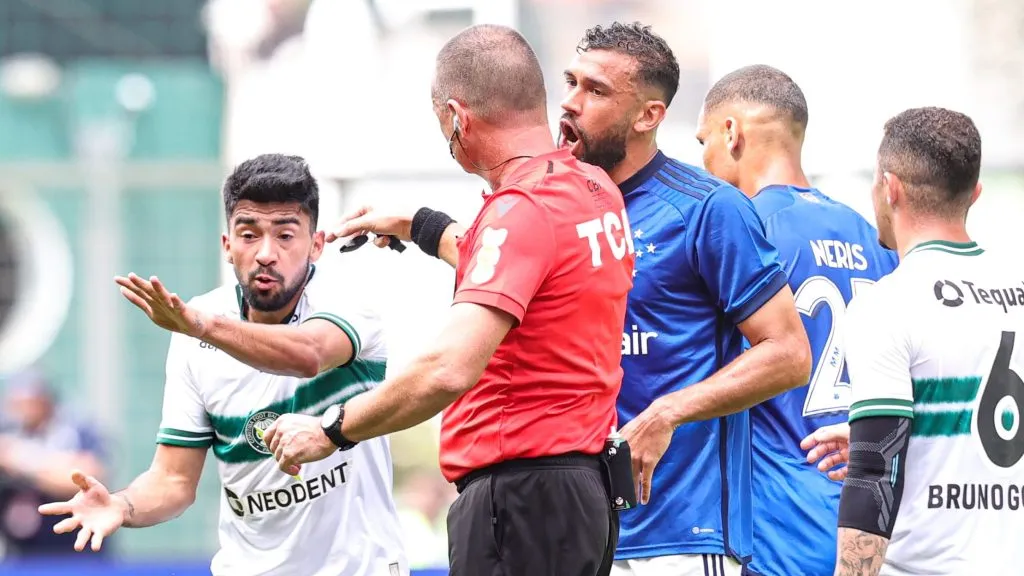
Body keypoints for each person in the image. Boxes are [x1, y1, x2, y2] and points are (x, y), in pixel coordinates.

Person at [265, 24, 633, 576]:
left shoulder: (519, 210)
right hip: (581, 498)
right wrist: (421, 225)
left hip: (521, 505)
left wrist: (332, 429)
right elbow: (531, 270)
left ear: (457, 118)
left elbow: (447, 370)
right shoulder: (594, 191)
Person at [38, 153, 408, 576]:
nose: (266, 253)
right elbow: (174, 481)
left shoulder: (346, 306)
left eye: (286, 236)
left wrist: (201, 327)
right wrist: (121, 505)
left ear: (316, 244)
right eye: (249, 235)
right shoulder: (197, 329)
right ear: (228, 246)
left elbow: (307, 355)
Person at [558, 23, 811, 576]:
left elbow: (789, 354)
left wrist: (666, 412)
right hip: (576, 528)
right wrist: (425, 228)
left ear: (649, 116)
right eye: (571, 83)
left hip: (679, 536)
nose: (571, 103)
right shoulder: (559, 210)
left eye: (596, 91)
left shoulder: (706, 209)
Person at [695, 65, 898, 576]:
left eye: (703, 141)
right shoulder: (872, 238)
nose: (702, 160)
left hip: (776, 529)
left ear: (731, 133)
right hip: (867, 530)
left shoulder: (742, 231)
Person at [820, 107, 1024, 575]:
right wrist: (915, 431)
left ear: (889, 188)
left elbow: (875, 471)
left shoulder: (888, 302)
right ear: (975, 192)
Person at [0, 370, 107, 557]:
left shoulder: (75, 430)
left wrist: (21, 459)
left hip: (73, 546)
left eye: (28, 402)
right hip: (18, 549)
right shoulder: (7, 428)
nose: (21, 410)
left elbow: (88, 477)